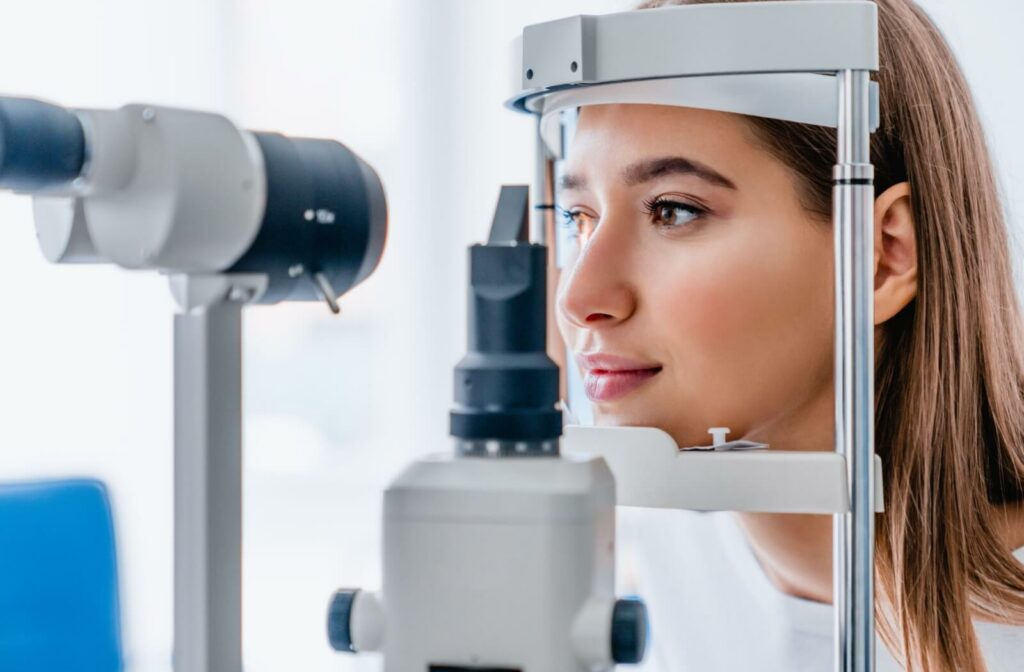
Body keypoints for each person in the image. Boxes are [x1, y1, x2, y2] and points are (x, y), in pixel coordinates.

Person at [552, 0, 1024, 669]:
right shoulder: (668, 554)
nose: (579, 298)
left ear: (883, 254)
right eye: (579, 216)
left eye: (674, 210)